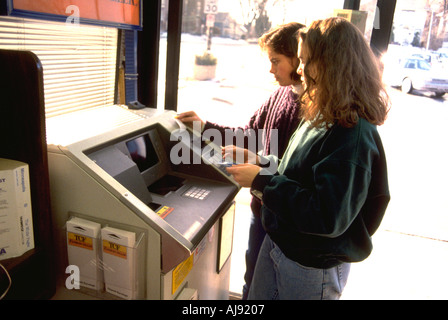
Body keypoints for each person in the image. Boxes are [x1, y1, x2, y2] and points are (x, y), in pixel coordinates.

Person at [226, 17, 391, 300]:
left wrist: (262, 180)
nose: (300, 70)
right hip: (280, 243)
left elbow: (327, 216)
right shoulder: (320, 111)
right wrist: (261, 163)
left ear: (331, 65)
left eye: (305, 61)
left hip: (312, 266)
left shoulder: (351, 134)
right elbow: (299, 175)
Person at [176, 22, 305, 299]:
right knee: (252, 285)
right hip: (262, 210)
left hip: (290, 222)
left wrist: (259, 174)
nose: (271, 69)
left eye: (276, 61)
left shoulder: (316, 109)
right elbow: (249, 136)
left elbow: (298, 173)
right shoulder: (280, 95)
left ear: (299, 57)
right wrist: (204, 127)